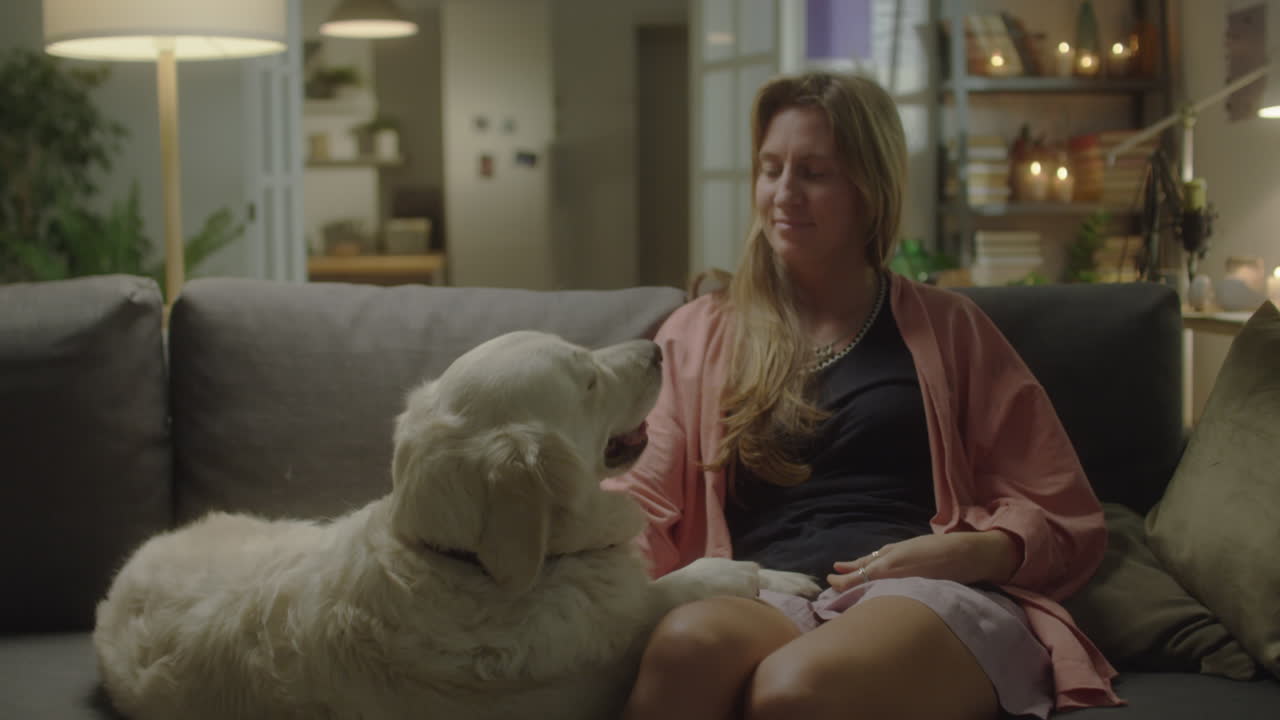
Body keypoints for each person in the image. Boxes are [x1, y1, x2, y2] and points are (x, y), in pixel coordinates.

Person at [604, 71, 1122, 720]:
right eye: (770, 169)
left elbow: (1060, 507)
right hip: (767, 589)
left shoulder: (951, 327)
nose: (784, 193)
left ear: (870, 191)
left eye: (815, 172)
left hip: (918, 593)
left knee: (795, 689)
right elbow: (640, 492)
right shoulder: (701, 330)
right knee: (683, 648)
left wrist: (971, 549)